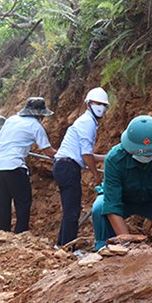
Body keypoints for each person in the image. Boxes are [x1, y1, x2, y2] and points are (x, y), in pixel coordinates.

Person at [91, 115, 152, 257]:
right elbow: (112, 204)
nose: (147, 158)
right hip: (124, 200)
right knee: (99, 208)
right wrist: (129, 247)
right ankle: (106, 250)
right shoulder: (114, 159)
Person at [0, 97, 56, 233]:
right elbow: (49, 152)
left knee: (4, 202)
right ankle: (21, 233)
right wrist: (66, 155)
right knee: (23, 201)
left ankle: (4, 233)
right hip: (14, 165)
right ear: (39, 115)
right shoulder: (36, 126)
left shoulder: (11, 120)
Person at [53, 87, 108, 247]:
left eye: (104, 104)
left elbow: (87, 154)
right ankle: (68, 247)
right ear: (88, 104)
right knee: (72, 210)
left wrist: (106, 157)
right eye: (97, 103)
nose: (101, 107)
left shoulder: (87, 122)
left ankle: (61, 245)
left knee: (70, 208)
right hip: (68, 167)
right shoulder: (87, 122)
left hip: (64, 166)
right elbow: (86, 155)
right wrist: (96, 175)